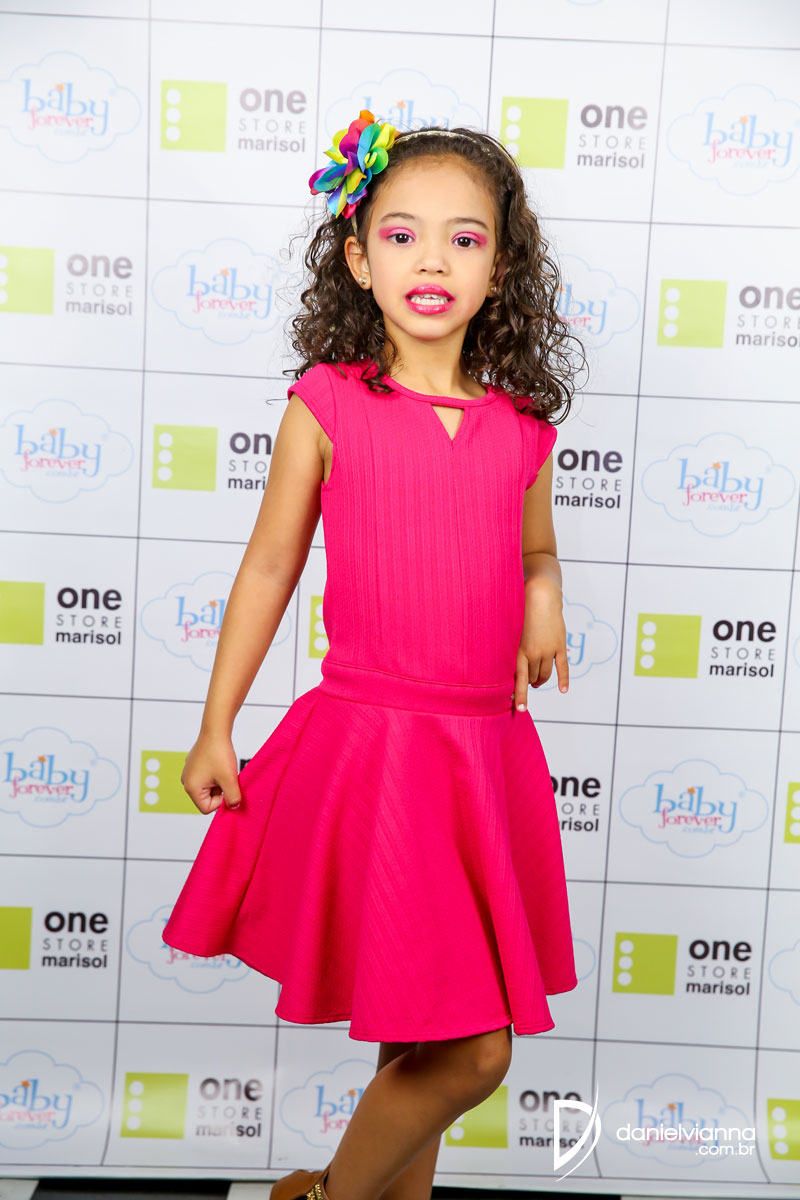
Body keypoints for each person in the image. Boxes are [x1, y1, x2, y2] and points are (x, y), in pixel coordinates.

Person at [161, 109, 587, 1200]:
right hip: (374, 749)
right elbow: (269, 568)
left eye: (463, 238)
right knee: (473, 1051)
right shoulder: (329, 403)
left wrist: (544, 597)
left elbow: (535, 551)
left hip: (477, 756)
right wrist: (216, 725)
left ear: (500, 269)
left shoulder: (523, 427)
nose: (431, 260)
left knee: (436, 1030)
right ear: (357, 259)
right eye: (401, 236)